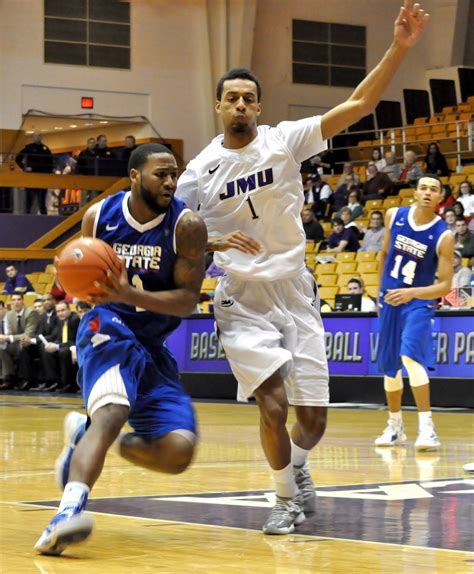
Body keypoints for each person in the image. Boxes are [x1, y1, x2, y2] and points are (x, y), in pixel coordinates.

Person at [176, 0, 429, 534]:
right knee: (271, 404)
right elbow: (183, 242)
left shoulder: (284, 140)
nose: (240, 105)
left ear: (259, 108)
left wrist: (400, 47)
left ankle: (296, 465)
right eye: (232, 98)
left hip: (296, 292)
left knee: (311, 424)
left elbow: (359, 104)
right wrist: (217, 239)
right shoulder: (197, 174)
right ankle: (284, 499)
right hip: (241, 297)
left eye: (249, 98)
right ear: (218, 105)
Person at [35, 143, 207, 555]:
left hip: (151, 342)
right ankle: (67, 511)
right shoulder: (99, 216)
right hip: (105, 325)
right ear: (134, 176)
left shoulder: (186, 225)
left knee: (177, 453)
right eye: (159, 174)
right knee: (113, 412)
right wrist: (100, 291)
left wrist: (131, 292)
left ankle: (86, 436)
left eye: (174, 174)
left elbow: (186, 301)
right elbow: (81, 275)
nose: (169, 182)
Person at [375, 175, 454, 451]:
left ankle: (427, 428)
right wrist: (379, 292)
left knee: (410, 356)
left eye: (434, 189)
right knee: (389, 365)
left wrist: (411, 293)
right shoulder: (394, 215)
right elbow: (384, 254)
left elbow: (445, 285)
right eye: (423, 188)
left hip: (418, 301)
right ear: (415, 192)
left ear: (440, 197)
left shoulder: (444, 235)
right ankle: (395, 426)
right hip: (390, 299)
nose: (428, 193)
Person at [0, 293, 40, 390]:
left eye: (18, 299)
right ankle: (9, 378)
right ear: (11, 303)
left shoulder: (31, 313)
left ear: (23, 301)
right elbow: (10, 333)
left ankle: (25, 379)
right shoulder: (9, 314)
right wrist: (4, 339)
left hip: (32, 343)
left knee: (23, 346)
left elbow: (28, 334)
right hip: (16, 343)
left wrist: (8, 338)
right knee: (2, 348)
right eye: (13, 300)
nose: (16, 302)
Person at [41, 301, 81, 393]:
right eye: (58, 311)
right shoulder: (59, 320)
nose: (60, 313)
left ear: (69, 309)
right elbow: (57, 337)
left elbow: (74, 341)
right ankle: (54, 382)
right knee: (47, 351)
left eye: (63, 310)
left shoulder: (75, 319)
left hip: (76, 347)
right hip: (65, 346)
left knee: (64, 352)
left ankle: (68, 384)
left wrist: (57, 346)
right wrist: (52, 345)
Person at [15, 133, 54, 214]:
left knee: (41, 200)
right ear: (33, 138)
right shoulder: (28, 147)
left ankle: (44, 217)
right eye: (36, 136)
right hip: (31, 177)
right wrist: (24, 167)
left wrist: (49, 174)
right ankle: (26, 215)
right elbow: (18, 159)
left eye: (39, 136)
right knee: (29, 200)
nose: (38, 138)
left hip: (43, 177)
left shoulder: (46, 149)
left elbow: (51, 163)